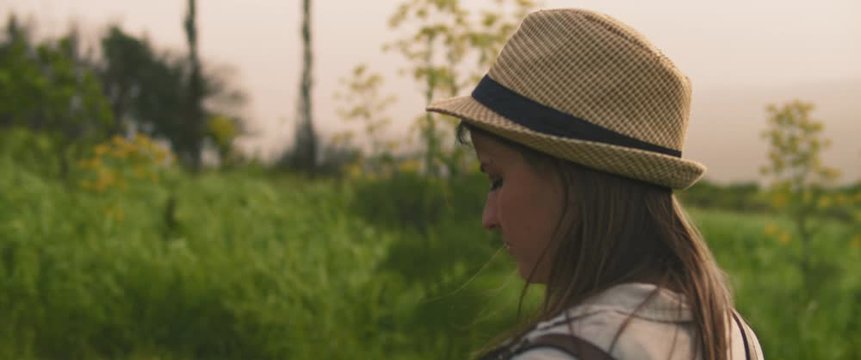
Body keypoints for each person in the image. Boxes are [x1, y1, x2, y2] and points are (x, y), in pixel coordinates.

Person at [426, 8, 765, 360]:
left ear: (571, 178)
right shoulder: (731, 334)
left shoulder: (561, 353)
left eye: (497, 179)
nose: (488, 218)